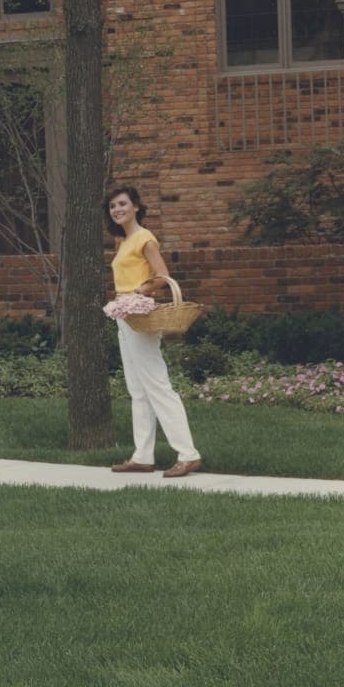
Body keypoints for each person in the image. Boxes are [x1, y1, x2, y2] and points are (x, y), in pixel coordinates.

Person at [104, 185, 202, 479]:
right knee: (137, 389)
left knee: (157, 384)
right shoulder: (123, 240)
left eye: (122, 203)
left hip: (140, 314)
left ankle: (188, 454)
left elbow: (162, 276)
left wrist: (139, 291)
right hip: (125, 315)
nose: (117, 209)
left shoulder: (145, 238)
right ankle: (142, 456)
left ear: (135, 206)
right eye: (112, 206)